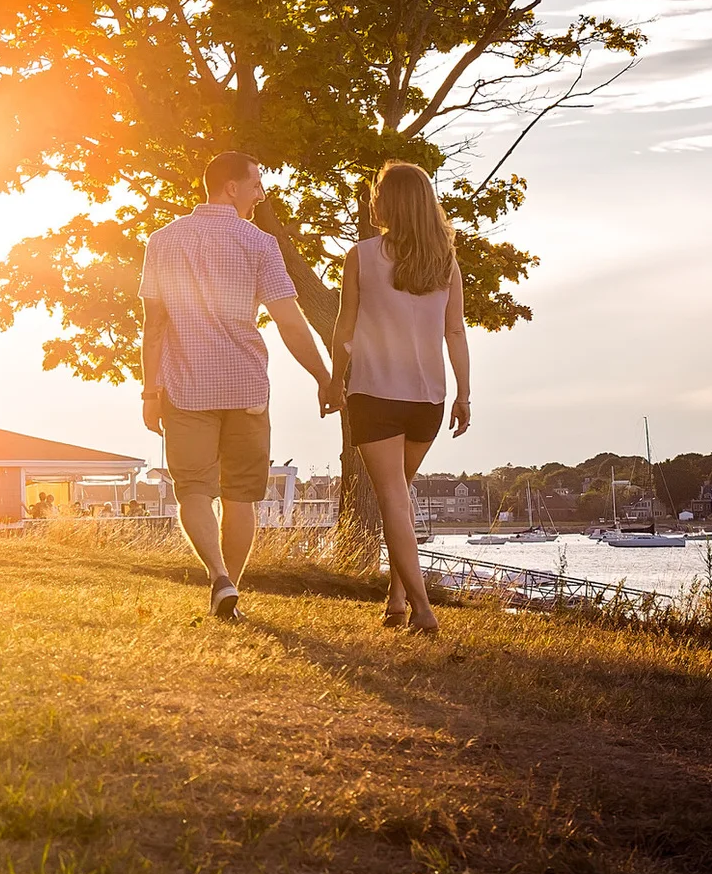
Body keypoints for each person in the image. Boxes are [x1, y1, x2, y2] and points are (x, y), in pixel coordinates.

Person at [139, 151, 338, 622]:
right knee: (241, 496)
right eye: (255, 184)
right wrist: (324, 377)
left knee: (192, 490)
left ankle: (220, 580)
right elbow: (289, 320)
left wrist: (150, 391)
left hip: (185, 388)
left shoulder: (163, 241)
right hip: (246, 388)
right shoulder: (260, 244)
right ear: (231, 186)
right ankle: (229, 592)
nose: (260, 194)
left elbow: (154, 325)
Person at [328, 161, 472, 634]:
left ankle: (424, 610)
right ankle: (395, 600)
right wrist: (464, 393)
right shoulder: (445, 261)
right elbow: (455, 332)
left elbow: (345, 324)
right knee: (400, 501)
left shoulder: (362, 255)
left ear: (386, 202)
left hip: (375, 391)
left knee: (393, 500)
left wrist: (334, 378)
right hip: (428, 399)